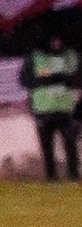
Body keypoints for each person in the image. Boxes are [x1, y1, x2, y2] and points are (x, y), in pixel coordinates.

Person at [21, 32, 80, 182]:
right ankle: (51, 177)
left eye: (60, 39)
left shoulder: (71, 56)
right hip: (43, 108)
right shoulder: (34, 57)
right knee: (47, 147)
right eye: (53, 39)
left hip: (65, 108)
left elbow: (78, 79)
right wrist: (50, 79)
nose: (57, 43)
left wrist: (64, 80)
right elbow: (25, 81)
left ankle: (73, 175)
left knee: (70, 143)